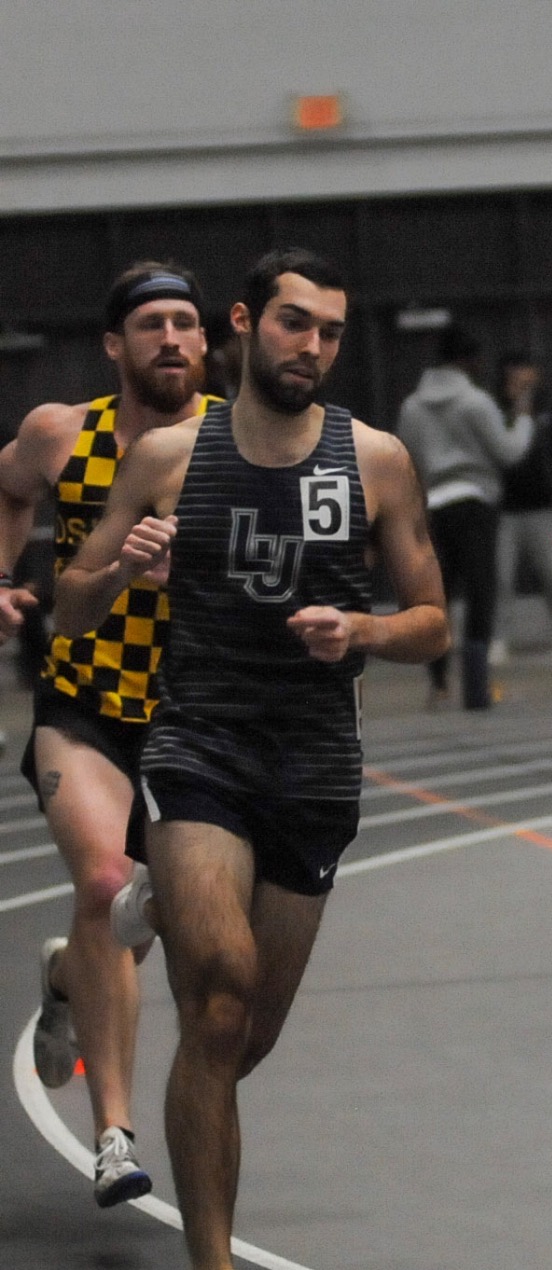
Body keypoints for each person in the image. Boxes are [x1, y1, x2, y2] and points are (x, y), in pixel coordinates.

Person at [56, 248, 448, 1270]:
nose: (310, 345)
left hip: (315, 766)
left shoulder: (378, 459)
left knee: (235, 1042)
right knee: (219, 981)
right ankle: (214, 1261)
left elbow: (434, 622)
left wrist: (361, 634)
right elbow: (70, 606)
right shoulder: (169, 456)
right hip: (200, 747)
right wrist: (119, 566)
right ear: (244, 323)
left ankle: (153, 908)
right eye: (292, 323)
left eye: (328, 330)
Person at [0, 261, 221, 1207]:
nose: (171, 338)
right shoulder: (63, 433)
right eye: (151, 325)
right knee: (103, 881)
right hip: (84, 702)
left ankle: (66, 982)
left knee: (143, 916)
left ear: (210, 342)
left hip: (202, 712)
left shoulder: (241, 440)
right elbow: (6, 485)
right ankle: (114, 1138)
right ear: (114, 346)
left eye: (186, 323)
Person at [397, 324, 529, 708]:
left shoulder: (413, 406)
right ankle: (476, 687)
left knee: (436, 596)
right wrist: (522, 419)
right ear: (469, 361)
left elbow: (405, 460)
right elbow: (508, 452)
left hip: (434, 506)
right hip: (475, 503)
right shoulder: (475, 402)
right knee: (480, 592)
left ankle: (438, 684)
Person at [490, 352, 552, 665]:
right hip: (505, 511)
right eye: (518, 383)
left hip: (544, 509)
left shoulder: (548, 414)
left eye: (529, 382)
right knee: (501, 577)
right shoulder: (495, 412)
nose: (524, 389)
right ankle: (498, 638)